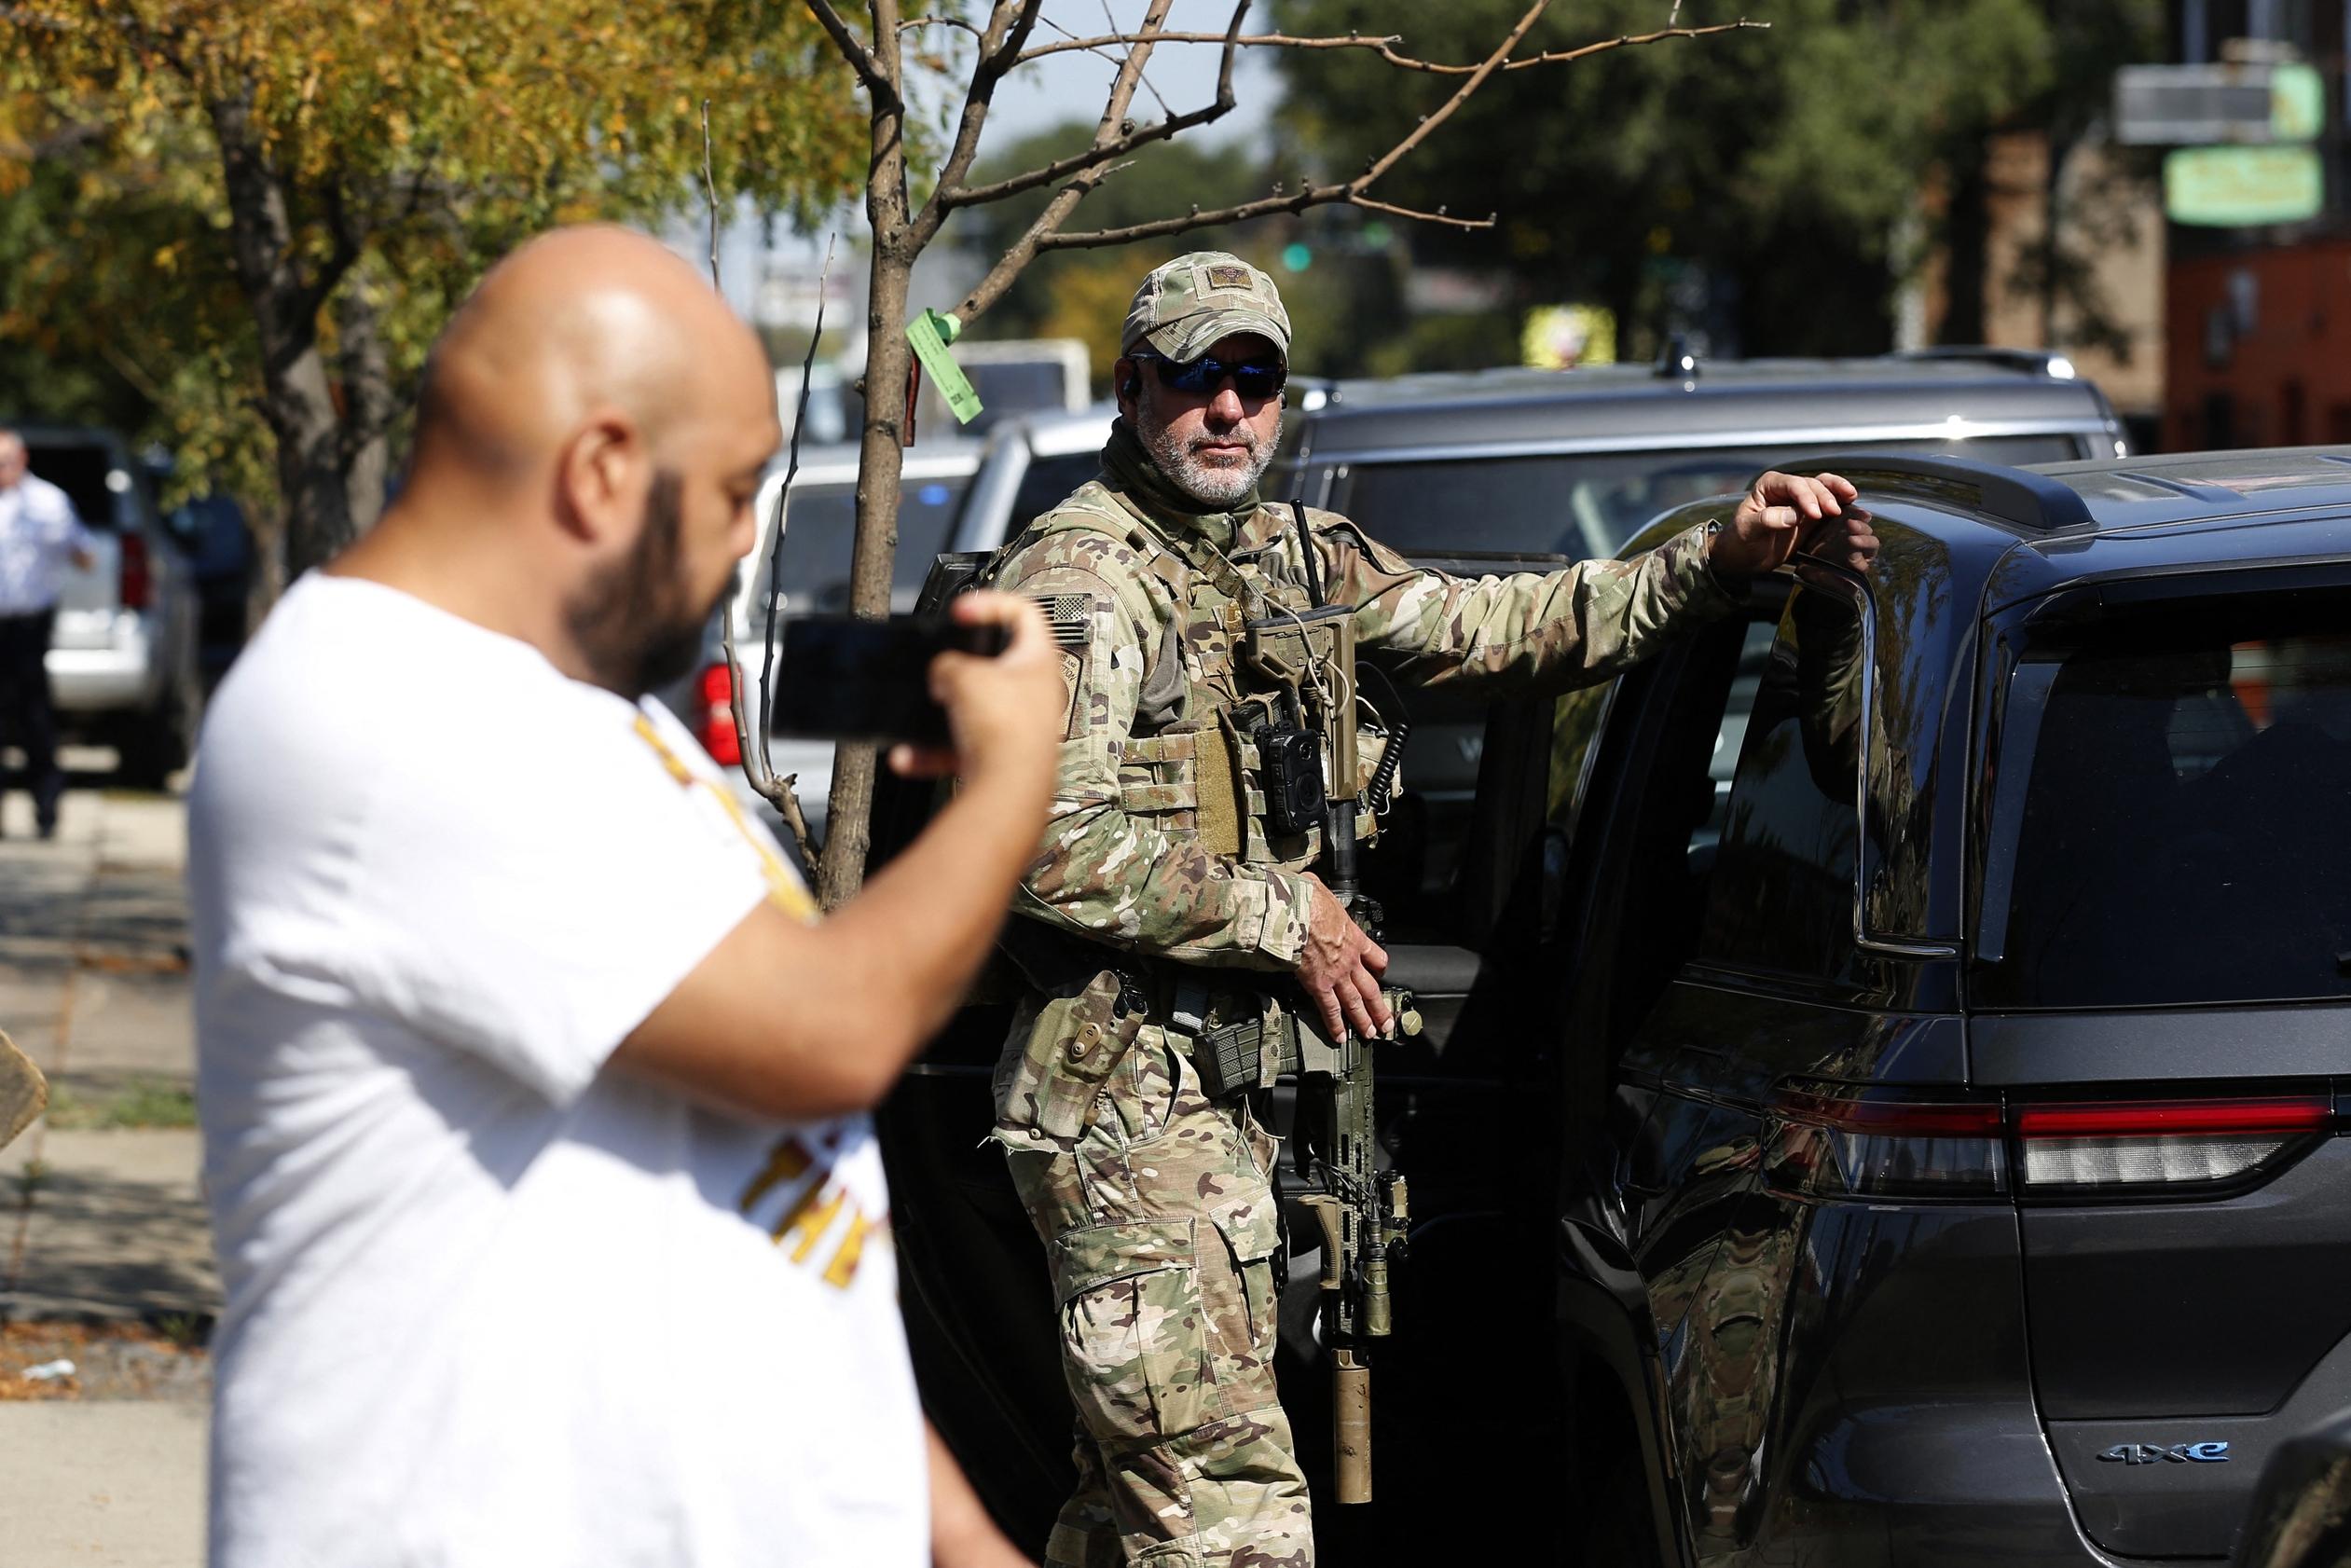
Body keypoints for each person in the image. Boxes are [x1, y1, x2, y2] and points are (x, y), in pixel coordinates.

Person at [188, 226, 1065, 1568]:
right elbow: (826, 1034)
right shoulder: (384, 716)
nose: (742, 541)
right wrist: (1013, 773)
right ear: (601, 470)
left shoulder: (583, 725)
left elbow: (770, 1217)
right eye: (731, 489)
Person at [982, 251, 1868, 1568]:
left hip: (1205, 1110)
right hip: (1122, 1112)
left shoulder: (1290, 558)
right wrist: (1286, 916)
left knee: (1130, 1513)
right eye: (1193, 379)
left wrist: (1719, 555)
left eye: (1253, 377)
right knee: (1228, 1520)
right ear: (1130, 388)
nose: (1226, 410)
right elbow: (1040, 842)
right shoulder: (1079, 585)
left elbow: (1510, 625)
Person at [0, 429, 95, 837]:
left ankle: (46, 807)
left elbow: (86, 555)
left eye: (5, 461)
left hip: (29, 622)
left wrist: (62, 542)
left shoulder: (48, 502)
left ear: (22, 460)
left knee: (33, 717)